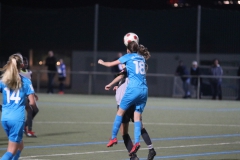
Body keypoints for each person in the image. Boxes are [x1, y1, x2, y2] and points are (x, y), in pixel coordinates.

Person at [98, 41, 149, 156]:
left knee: (120, 112)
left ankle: (113, 137)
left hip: (133, 89)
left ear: (128, 50)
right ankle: (137, 142)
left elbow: (111, 64)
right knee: (137, 118)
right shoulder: (142, 58)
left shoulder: (128, 56)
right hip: (144, 90)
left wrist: (101, 62)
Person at [105, 65, 156, 160]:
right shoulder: (139, 76)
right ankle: (151, 149)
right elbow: (124, 81)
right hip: (134, 103)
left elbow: (121, 77)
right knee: (140, 126)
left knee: (124, 132)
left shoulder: (130, 70)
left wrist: (110, 84)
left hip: (124, 104)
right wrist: (118, 87)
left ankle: (133, 156)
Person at [0, 53, 37, 160]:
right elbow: (32, 103)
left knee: (20, 145)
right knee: (11, 151)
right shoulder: (25, 81)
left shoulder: (3, 80)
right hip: (17, 119)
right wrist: (30, 107)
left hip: (5, 118)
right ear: (21, 65)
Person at [20, 57, 39, 137]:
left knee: (36, 110)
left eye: (26, 62)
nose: (25, 64)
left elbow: (29, 84)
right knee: (30, 110)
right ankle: (29, 131)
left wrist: (33, 94)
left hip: (29, 94)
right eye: (24, 62)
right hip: (22, 95)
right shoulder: (18, 73)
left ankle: (24, 126)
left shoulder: (29, 72)